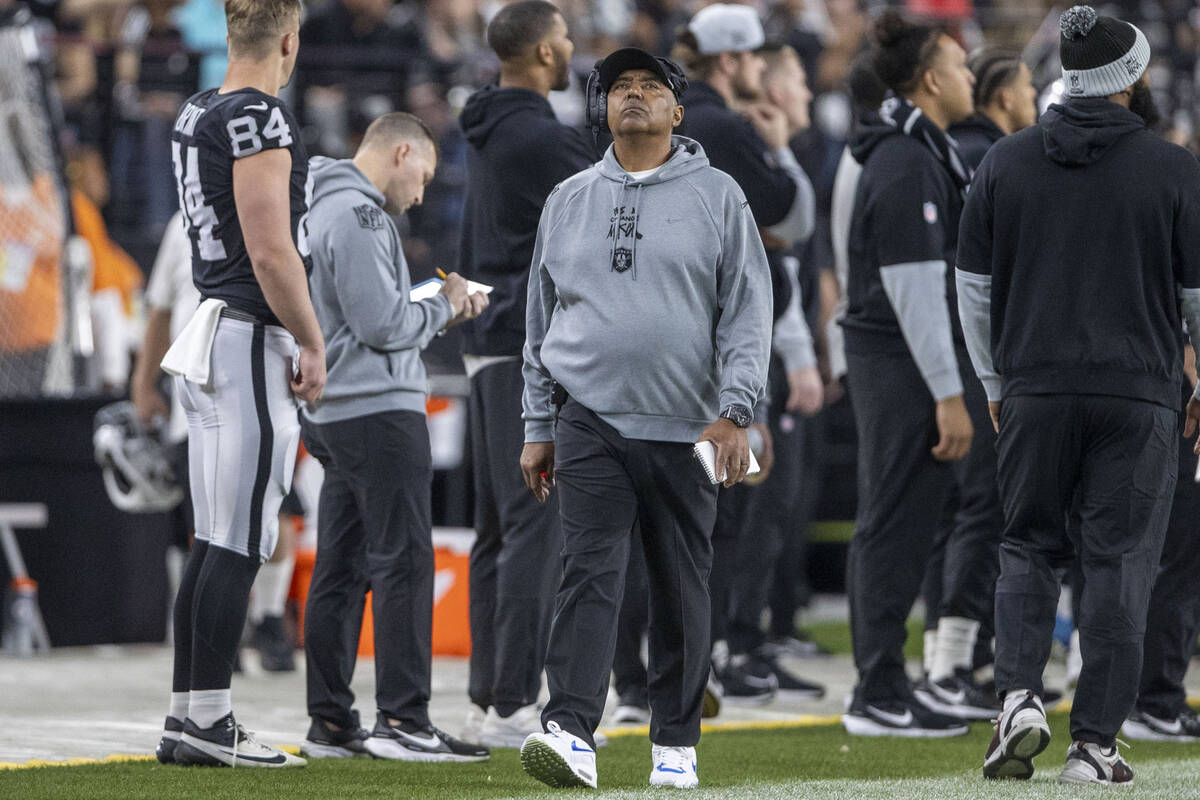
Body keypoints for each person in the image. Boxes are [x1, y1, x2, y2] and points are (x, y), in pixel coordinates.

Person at [957, 5, 1200, 784]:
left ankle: (1020, 696)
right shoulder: (1174, 170)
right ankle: (1094, 744)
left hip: (1032, 388)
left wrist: (996, 382)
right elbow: (1199, 298)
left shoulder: (1004, 162)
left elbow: (971, 288)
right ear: (1132, 79)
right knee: (1121, 563)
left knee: (1028, 546)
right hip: (1139, 396)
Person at [517, 47, 772, 790]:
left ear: (677, 110)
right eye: (618, 88)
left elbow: (747, 313)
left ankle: (675, 741)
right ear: (601, 110)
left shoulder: (720, 195)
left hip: (689, 423)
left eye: (649, 87)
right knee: (587, 572)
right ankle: (569, 730)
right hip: (589, 416)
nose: (633, 96)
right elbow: (540, 321)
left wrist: (736, 411)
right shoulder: (566, 198)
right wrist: (538, 424)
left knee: (679, 582)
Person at [155, 0, 322, 769]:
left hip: (210, 330)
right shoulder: (258, 115)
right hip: (249, 337)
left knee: (216, 538)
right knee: (243, 539)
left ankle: (189, 715)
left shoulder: (200, 107)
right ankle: (210, 720)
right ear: (288, 40)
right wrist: (313, 338)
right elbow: (270, 249)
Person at [298, 112, 489, 762]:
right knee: (403, 562)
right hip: (377, 409)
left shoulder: (326, 207)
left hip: (339, 412)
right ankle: (404, 722)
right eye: (424, 175)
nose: (422, 193)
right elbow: (382, 325)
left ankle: (330, 722)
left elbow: (364, 311)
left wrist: (428, 296)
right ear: (401, 151)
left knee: (343, 567)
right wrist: (447, 304)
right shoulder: (361, 215)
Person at [671, 2, 823, 704]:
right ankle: (713, 653)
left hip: (673, 345)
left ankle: (691, 655)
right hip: (728, 352)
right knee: (728, 506)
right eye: (755, 58)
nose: (761, 71)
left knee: (688, 506)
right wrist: (782, 145)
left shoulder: (677, 118)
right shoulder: (724, 126)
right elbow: (792, 214)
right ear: (730, 61)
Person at [455, 0, 594, 749]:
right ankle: (512, 701)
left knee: (497, 529)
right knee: (533, 525)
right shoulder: (539, 136)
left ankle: (488, 698)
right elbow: (609, 197)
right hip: (520, 341)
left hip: (487, 340)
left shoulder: (489, 122)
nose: (572, 46)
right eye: (565, 36)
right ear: (544, 52)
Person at [838, 9, 976, 738]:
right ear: (929, 79)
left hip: (892, 355)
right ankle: (878, 693)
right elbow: (914, 284)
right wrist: (949, 394)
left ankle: (884, 682)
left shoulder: (903, 149)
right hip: (901, 360)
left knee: (899, 524)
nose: (968, 75)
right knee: (891, 526)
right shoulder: (907, 158)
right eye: (958, 65)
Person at [915, 47, 1039, 721]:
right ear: (1001, 98)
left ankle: (947, 654)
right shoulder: (991, 158)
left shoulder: (956, 151)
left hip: (951, 349)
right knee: (983, 509)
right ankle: (952, 665)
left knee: (955, 512)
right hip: (975, 352)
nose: (1033, 102)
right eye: (1024, 90)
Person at [947, 49, 1037, 170]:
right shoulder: (987, 155)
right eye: (1027, 84)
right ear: (1006, 98)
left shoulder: (964, 141)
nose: (1033, 93)